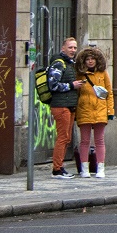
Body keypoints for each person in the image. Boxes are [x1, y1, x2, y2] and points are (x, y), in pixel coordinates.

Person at [46, 37, 85, 179]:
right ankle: (57, 169)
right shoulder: (58, 64)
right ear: (63, 48)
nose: (73, 50)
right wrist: (71, 85)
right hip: (61, 105)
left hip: (69, 105)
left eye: (75, 48)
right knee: (63, 138)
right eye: (70, 47)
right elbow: (53, 85)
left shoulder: (70, 64)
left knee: (66, 138)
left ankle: (60, 167)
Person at [75, 46, 115, 178]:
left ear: (97, 60)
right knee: (84, 141)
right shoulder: (80, 74)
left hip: (100, 110)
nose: (90, 61)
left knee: (99, 140)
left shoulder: (103, 74)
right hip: (84, 109)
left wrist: (110, 111)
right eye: (88, 59)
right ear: (84, 61)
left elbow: (109, 92)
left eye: (93, 59)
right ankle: (84, 168)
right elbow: (76, 93)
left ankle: (100, 168)